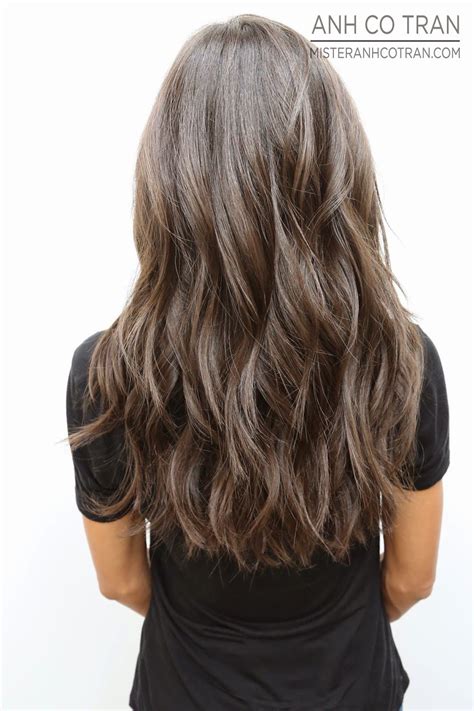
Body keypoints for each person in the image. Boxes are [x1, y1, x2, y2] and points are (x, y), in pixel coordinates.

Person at [65, 14, 450, 711]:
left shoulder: (109, 374)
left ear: (170, 180)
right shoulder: (401, 363)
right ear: (332, 170)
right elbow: (410, 579)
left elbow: (121, 581)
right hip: (349, 689)